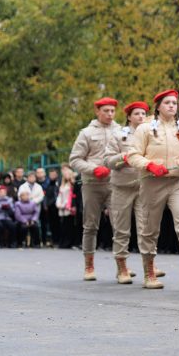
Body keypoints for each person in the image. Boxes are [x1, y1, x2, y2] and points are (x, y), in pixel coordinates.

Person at [126, 90, 179, 289]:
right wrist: (149, 165)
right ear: (158, 106)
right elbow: (133, 155)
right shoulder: (145, 129)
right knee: (150, 229)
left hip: (177, 182)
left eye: (174, 103)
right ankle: (149, 272)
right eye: (167, 103)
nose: (172, 106)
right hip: (152, 183)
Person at [69, 97, 122, 281]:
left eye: (112, 111)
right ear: (97, 112)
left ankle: (121, 266)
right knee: (91, 226)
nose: (109, 114)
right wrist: (93, 169)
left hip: (115, 183)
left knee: (120, 225)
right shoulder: (86, 133)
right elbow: (74, 159)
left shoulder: (120, 131)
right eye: (106, 111)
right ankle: (89, 266)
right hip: (92, 184)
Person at [105, 101, 153, 283]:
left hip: (144, 187)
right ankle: (122, 267)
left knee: (146, 228)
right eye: (137, 114)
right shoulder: (118, 135)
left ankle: (149, 267)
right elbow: (108, 161)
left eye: (143, 113)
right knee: (121, 229)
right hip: (121, 187)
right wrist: (124, 157)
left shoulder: (151, 134)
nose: (141, 116)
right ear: (129, 117)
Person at [56, 167, 79, 249]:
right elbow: (60, 195)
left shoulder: (73, 184)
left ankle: (70, 242)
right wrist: (59, 204)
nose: (66, 175)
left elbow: (73, 196)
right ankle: (63, 242)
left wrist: (70, 205)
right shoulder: (63, 184)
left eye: (68, 174)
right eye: (65, 174)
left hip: (69, 207)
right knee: (64, 225)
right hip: (62, 207)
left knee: (70, 225)